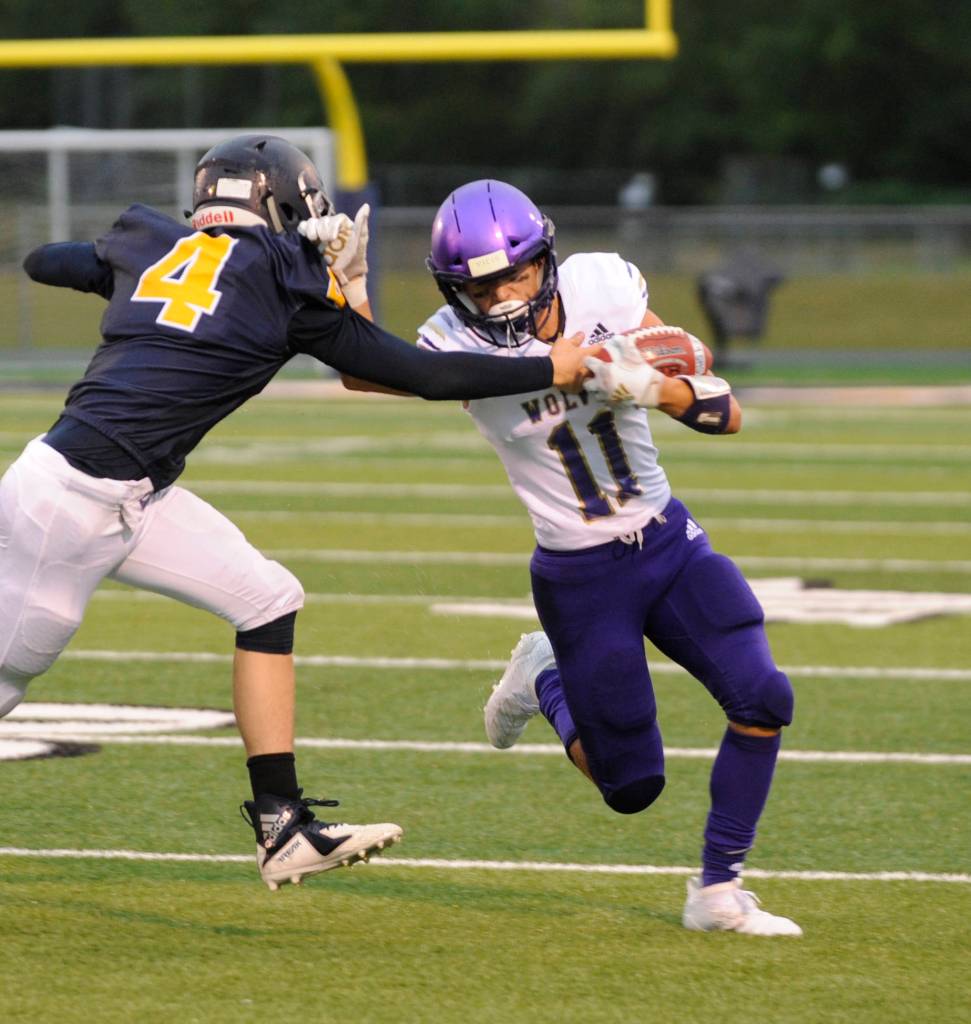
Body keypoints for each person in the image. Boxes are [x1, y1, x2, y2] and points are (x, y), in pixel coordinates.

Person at [1, 140, 595, 892]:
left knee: (267, 598)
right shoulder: (284, 280)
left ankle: (282, 829)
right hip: (72, 505)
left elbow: (43, 262)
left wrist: (124, 277)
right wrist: (548, 366)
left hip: (124, 489)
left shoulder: (155, 244)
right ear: (285, 206)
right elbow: (416, 373)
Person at [345, 178, 800, 934]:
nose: (498, 300)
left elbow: (718, 399)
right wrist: (350, 286)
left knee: (763, 698)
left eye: (513, 277)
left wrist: (651, 387)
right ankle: (544, 676)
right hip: (579, 574)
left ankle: (717, 891)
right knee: (629, 787)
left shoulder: (601, 287)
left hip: (665, 541)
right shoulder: (452, 343)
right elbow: (361, 368)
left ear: (545, 259)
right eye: (478, 288)